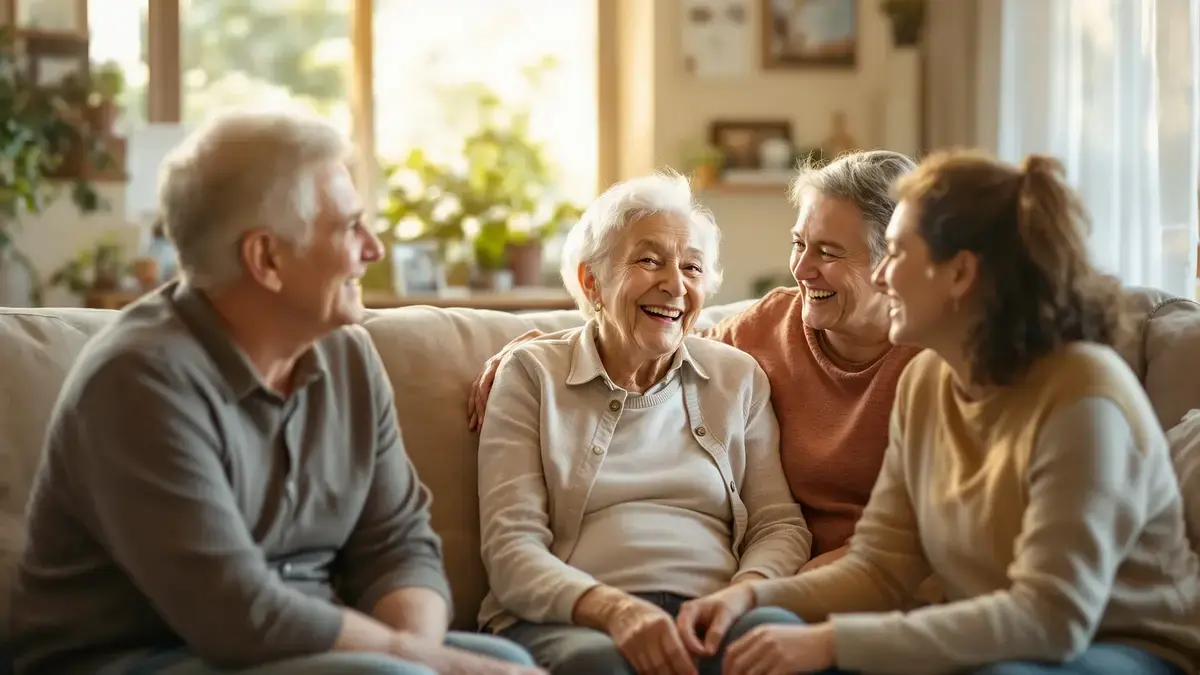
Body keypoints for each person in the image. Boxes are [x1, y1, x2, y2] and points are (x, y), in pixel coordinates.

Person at [9, 110, 543, 675]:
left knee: (499, 660)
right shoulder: (138, 382)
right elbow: (235, 612)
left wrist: (422, 657)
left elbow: (398, 545)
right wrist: (416, 662)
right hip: (132, 655)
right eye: (349, 228)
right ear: (266, 258)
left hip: (296, 649)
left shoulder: (348, 356)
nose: (374, 249)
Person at [675, 151, 1200, 675]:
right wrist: (749, 598)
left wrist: (835, 643)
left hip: (1123, 644)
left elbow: (1052, 619)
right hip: (993, 638)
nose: (884, 277)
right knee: (755, 629)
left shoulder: (1083, 395)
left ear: (960, 273)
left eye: (897, 254)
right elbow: (880, 569)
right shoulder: (927, 381)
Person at [469, 150, 922, 571]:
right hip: (787, 585)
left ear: (892, 262)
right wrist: (545, 348)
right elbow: (659, 334)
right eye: (799, 244)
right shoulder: (771, 326)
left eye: (828, 252)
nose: (801, 269)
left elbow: (931, 534)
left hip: (884, 577)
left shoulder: (934, 358)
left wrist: (785, 591)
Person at [476, 171, 812, 675]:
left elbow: (778, 524)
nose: (675, 285)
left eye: (692, 267)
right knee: (601, 665)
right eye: (649, 260)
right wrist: (617, 612)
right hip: (572, 622)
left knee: (779, 640)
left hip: (711, 616)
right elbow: (511, 549)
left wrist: (741, 595)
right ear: (592, 280)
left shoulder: (737, 377)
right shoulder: (531, 375)